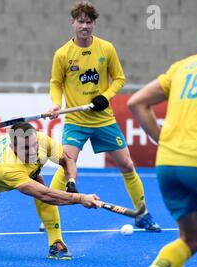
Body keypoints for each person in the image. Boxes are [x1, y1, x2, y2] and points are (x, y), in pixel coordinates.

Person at [126, 14, 197, 267]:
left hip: (168, 165)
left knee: (192, 238)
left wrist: (165, 142)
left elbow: (137, 103)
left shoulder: (183, 65)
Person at [46, 1, 160, 232]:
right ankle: (49, 215)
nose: (84, 26)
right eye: (80, 21)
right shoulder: (62, 54)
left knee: (127, 165)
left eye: (89, 22)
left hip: (104, 119)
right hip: (76, 122)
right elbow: (56, 83)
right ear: (73, 23)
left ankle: (142, 213)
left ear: (94, 24)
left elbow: (119, 78)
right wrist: (56, 104)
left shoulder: (106, 48)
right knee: (66, 165)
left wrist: (105, 97)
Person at [0, 122, 103, 259]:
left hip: (6, 160)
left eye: (34, 145)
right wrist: (81, 198)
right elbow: (46, 195)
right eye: (26, 148)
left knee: (41, 186)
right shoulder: (8, 169)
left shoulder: (42, 141)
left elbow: (67, 160)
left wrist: (71, 181)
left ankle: (56, 243)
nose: (32, 152)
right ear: (13, 147)